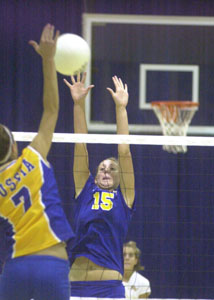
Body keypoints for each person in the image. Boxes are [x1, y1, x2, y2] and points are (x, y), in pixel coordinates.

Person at [0, 24, 75, 300]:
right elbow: (51, 108)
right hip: (52, 264)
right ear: (15, 146)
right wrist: (48, 59)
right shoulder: (33, 156)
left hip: (15, 268)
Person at [64, 73, 135, 299]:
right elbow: (80, 145)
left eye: (112, 168)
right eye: (102, 168)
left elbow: (124, 151)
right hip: (74, 287)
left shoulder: (125, 198)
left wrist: (121, 109)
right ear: (94, 176)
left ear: (119, 177)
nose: (106, 170)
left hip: (109, 289)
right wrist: (78, 104)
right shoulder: (84, 191)